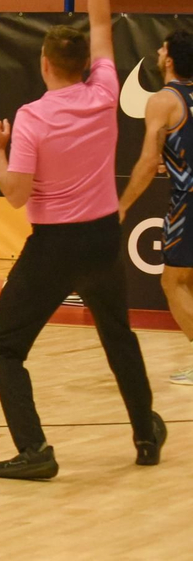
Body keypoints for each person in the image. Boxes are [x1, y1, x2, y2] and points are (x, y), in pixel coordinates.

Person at [0, 0, 164, 479]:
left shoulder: (32, 118)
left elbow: (15, 194)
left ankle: (35, 451)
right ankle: (145, 434)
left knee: (4, 348)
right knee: (117, 334)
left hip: (55, 245)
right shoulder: (103, 89)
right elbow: (104, 21)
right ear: (86, 63)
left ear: (44, 63)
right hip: (103, 239)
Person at [116, 27, 193, 385]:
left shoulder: (163, 100)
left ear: (171, 60)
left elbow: (148, 163)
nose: (159, 54)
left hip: (188, 201)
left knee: (172, 281)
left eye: (162, 50)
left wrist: (123, 204)